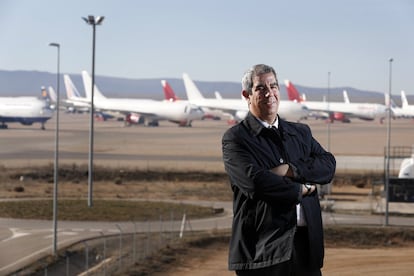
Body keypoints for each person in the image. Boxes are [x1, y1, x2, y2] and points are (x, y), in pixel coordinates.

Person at [222, 64, 336, 275]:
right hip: (263, 250)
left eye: (273, 86)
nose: (269, 93)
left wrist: (290, 170)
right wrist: (301, 189)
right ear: (246, 95)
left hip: (306, 247)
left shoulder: (300, 133)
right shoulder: (236, 139)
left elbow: (328, 166)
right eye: (260, 88)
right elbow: (256, 183)